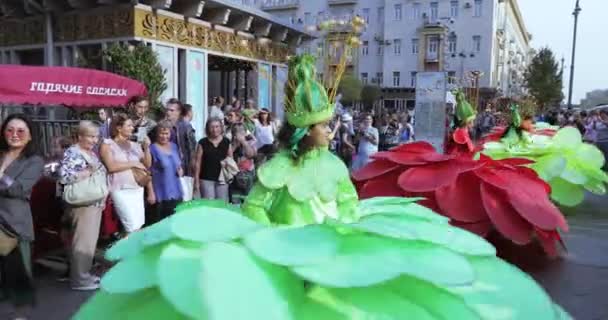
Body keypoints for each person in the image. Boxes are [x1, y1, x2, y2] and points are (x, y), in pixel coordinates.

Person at [76, 54, 571, 320]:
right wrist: (275, 244)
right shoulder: (275, 167)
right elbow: (257, 208)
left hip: (338, 249)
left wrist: (344, 229)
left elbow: (349, 201)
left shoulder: (335, 164)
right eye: (325, 126)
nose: (331, 131)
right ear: (304, 128)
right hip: (283, 254)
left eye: (331, 125)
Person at [354, 95, 570, 257]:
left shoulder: (464, 133)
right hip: (456, 168)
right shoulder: (459, 134)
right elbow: (457, 153)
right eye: (471, 120)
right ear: (466, 121)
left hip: (463, 165)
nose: (473, 123)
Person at [0, 114, 44, 319]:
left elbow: (18, 189)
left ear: (29, 136)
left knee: (18, 276)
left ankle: (20, 316)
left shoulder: (34, 161)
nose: (14, 135)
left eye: (20, 131)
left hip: (13, 225)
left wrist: (1, 174)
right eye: (10, 130)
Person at [59, 121, 107, 291]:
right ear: (80, 136)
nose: (95, 140)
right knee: (82, 243)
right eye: (91, 136)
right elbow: (64, 177)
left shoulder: (88, 152)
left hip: (92, 202)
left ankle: (84, 275)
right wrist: (89, 171)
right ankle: (80, 279)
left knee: (88, 242)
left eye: (96, 136)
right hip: (82, 204)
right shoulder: (73, 152)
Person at [100, 113, 151, 235]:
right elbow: (111, 167)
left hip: (137, 188)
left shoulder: (135, 145)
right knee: (131, 226)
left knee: (137, 226)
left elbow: (147, 164)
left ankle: (128, 252)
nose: (132, 128)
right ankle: (127, 252)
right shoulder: (107, 144)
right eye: (129, 126)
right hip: (120, 189)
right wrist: (133, 163)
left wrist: (147, 148)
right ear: (118, 128)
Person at [147, 120, 183, 224]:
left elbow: (178, 164)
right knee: (161, 224)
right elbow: (147, 171)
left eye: (166, 133)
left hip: (176, 191)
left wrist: (180, 169)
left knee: (176, 223)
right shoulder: (152, 148)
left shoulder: (174, 146)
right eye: (161, 133)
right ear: (157, 134)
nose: (164, 136)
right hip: (160, 194)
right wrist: (150, 192)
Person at [193, 117, 231, 201]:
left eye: (217, 126)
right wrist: (196, 181)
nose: (214, 129)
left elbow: (230, 160)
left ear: (221, 128)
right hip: (206, 178)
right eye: (212, 127)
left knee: (222, 205)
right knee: (209, 205)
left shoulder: (226, 142)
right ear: (208, 128)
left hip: (222, 179)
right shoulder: (202, 142)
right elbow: (197, 162)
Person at [164, 98, 197, 177]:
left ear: (179, 112)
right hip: (166, 163)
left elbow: (192, 149)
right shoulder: (162, 126)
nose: (168, 113)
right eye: (167, 110)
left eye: (172, 110)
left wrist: (192, 168)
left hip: (182, 165)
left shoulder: (185, 127)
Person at [229, 123, 257, 204]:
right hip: (235, 176)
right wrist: (236, 144)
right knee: (235, 201)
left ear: (245, 132)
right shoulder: (229, 143)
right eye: (236, 131)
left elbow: (251, 154)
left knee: (247, 201)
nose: (238, 133)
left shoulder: (251, 141)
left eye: (241, 131)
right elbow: (227, 156)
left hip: (248, 175)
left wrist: (243, 142)